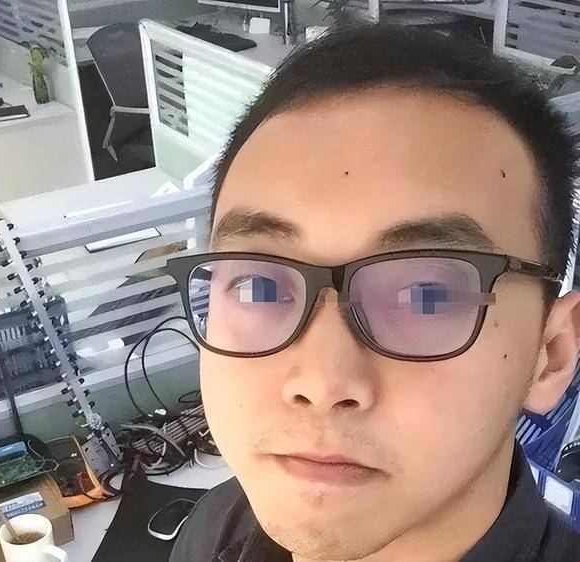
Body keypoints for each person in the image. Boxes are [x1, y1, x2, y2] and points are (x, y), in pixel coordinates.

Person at [166, 22, 580, 562]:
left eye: (427, 295)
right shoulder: (217, 525)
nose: (321, 383)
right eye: (260, 286)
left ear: (551, 354)